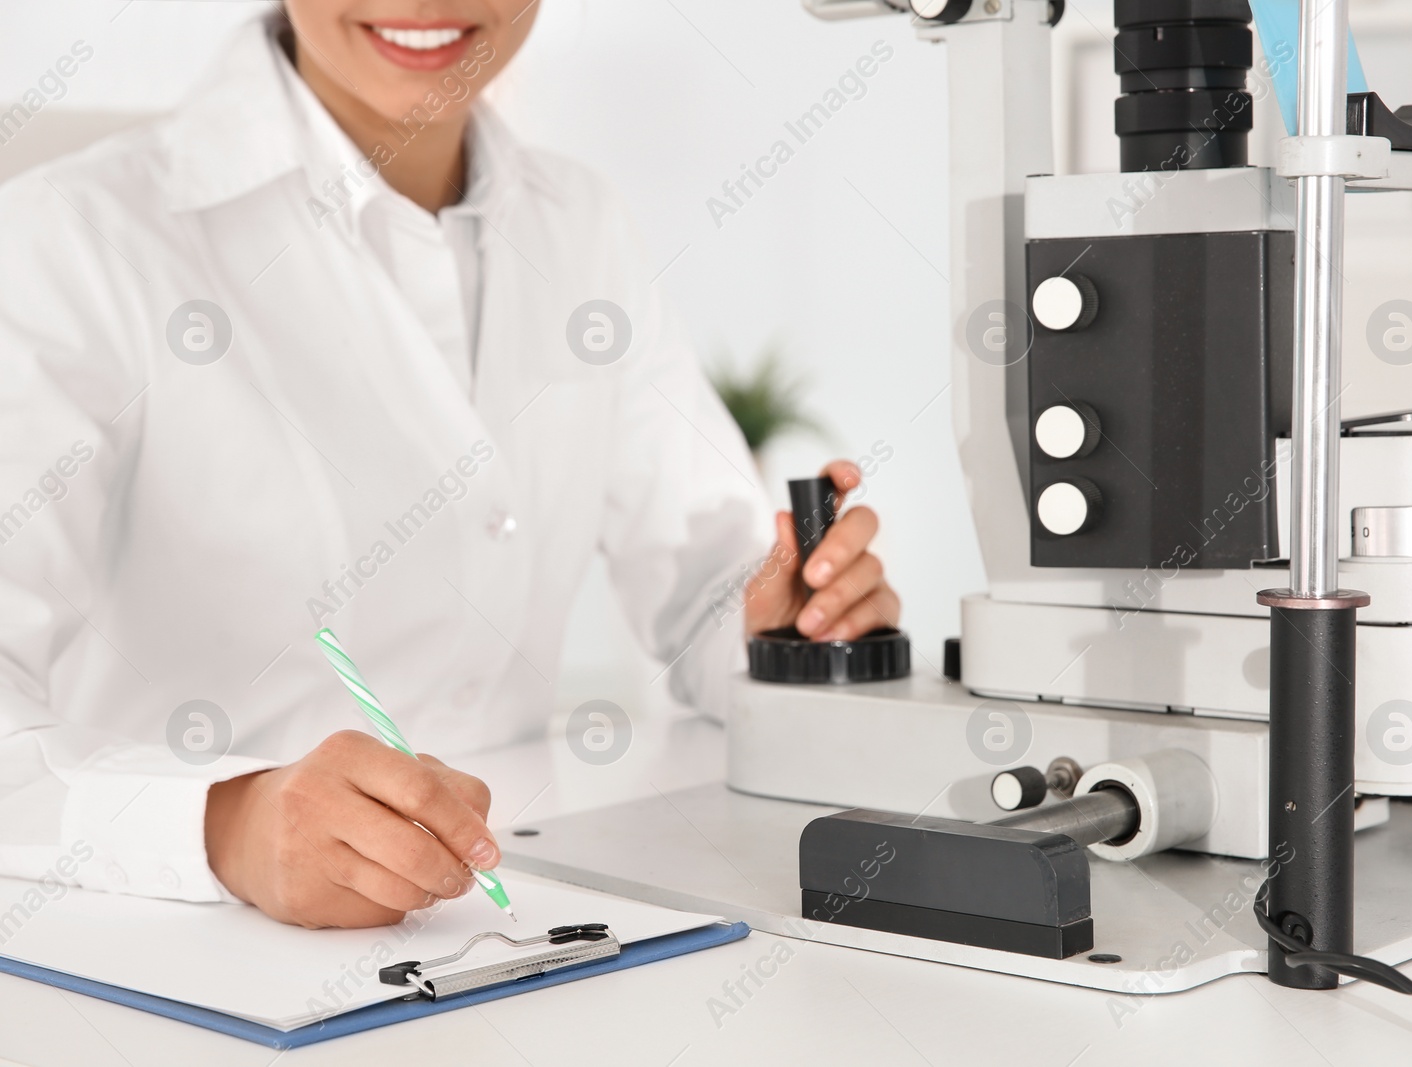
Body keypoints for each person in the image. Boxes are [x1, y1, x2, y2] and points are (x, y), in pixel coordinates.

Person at [0, 1, 898, 929]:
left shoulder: (577, 222)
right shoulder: (65, 237)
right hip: (176, 952)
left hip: (511, 924)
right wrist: (222, 822)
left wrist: (779, 624)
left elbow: (705, 587)